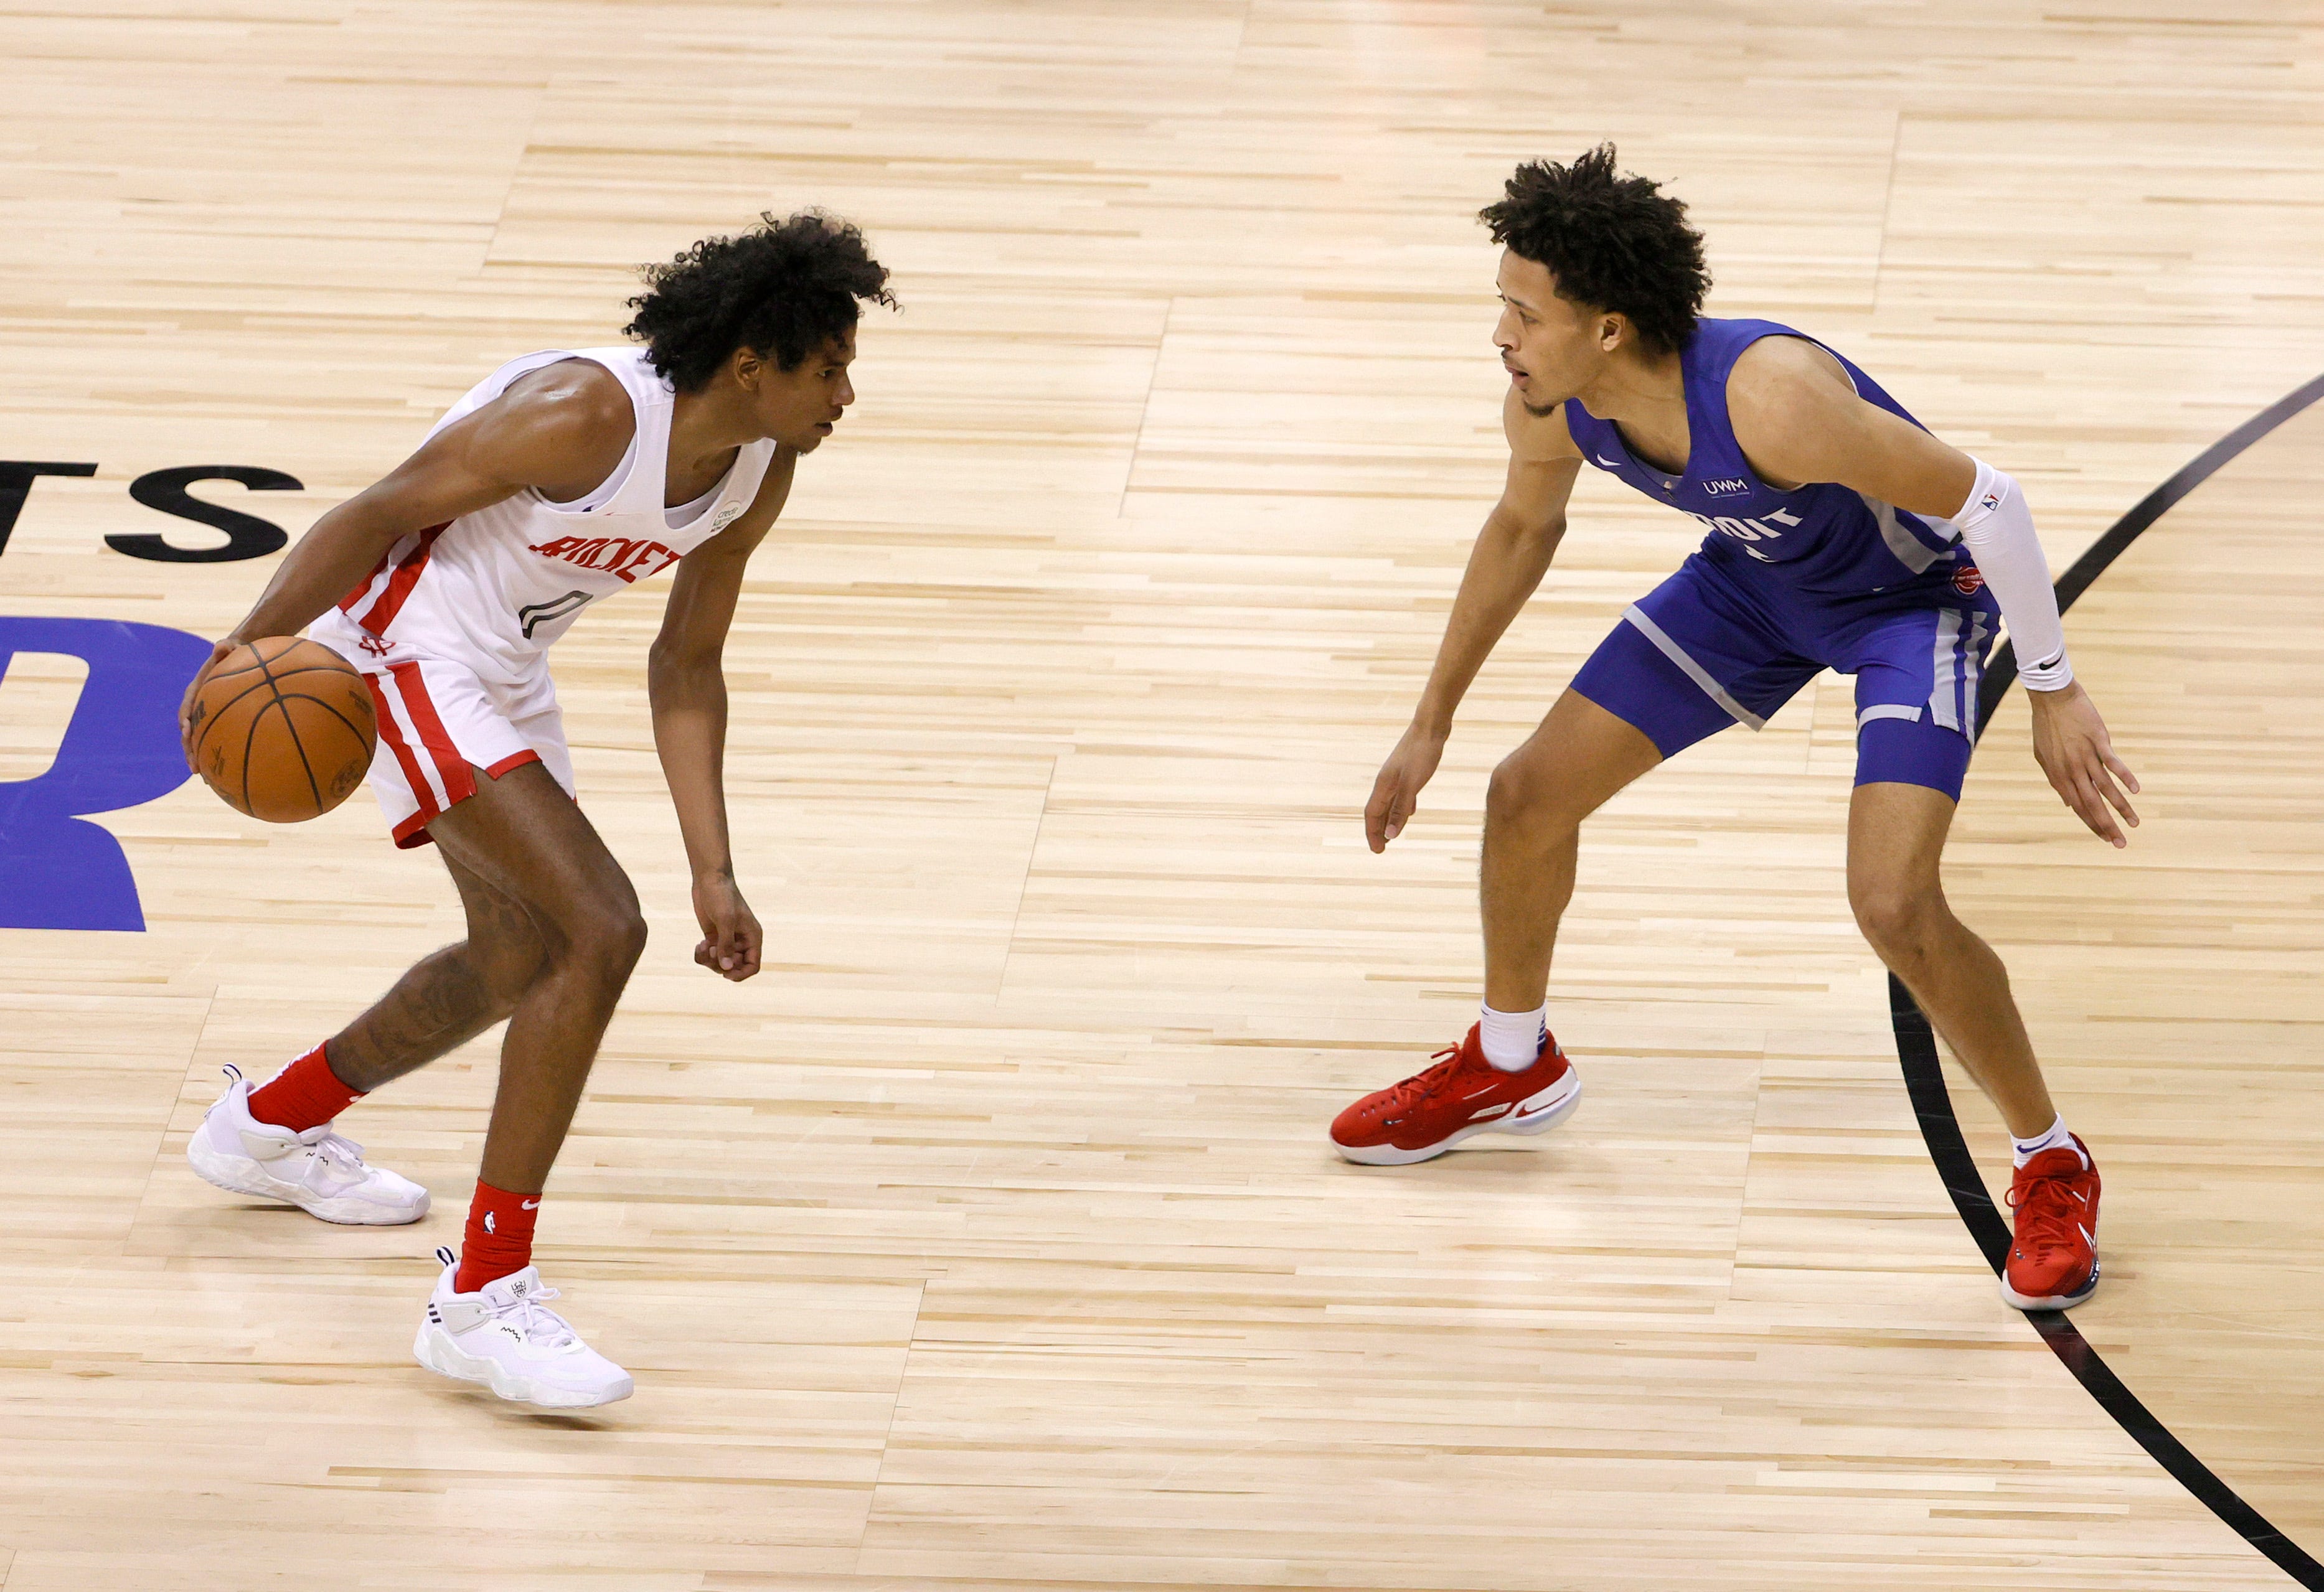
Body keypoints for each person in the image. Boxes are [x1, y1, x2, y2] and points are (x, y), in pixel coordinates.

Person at [1330, 147, 2135, 1315]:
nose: (1498, 332)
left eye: (1520, 309)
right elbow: (1520, 527)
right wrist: (1428, 721)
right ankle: (1512, 1067)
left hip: (1910, 610)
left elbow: (1988, 501)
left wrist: (2054, 687)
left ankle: (2049, 1160)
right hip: (1753, 591)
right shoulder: (1550, 403)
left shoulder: (1770, 397)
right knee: (1523, 797)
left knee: (1892, 904)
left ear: (1608, 328)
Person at [178, 210, 894, 1405]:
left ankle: (264, 1126)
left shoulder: (762, 466)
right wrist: (240, 655)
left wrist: (712, 869)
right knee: (598, 931)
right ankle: (481, 1295)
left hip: (503, 664)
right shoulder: (586, 414)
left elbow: (687, 664)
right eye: (831, 367)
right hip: (399, 640)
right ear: (751, 366)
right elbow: (374, 513)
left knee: (520, 954)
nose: (847, 392)